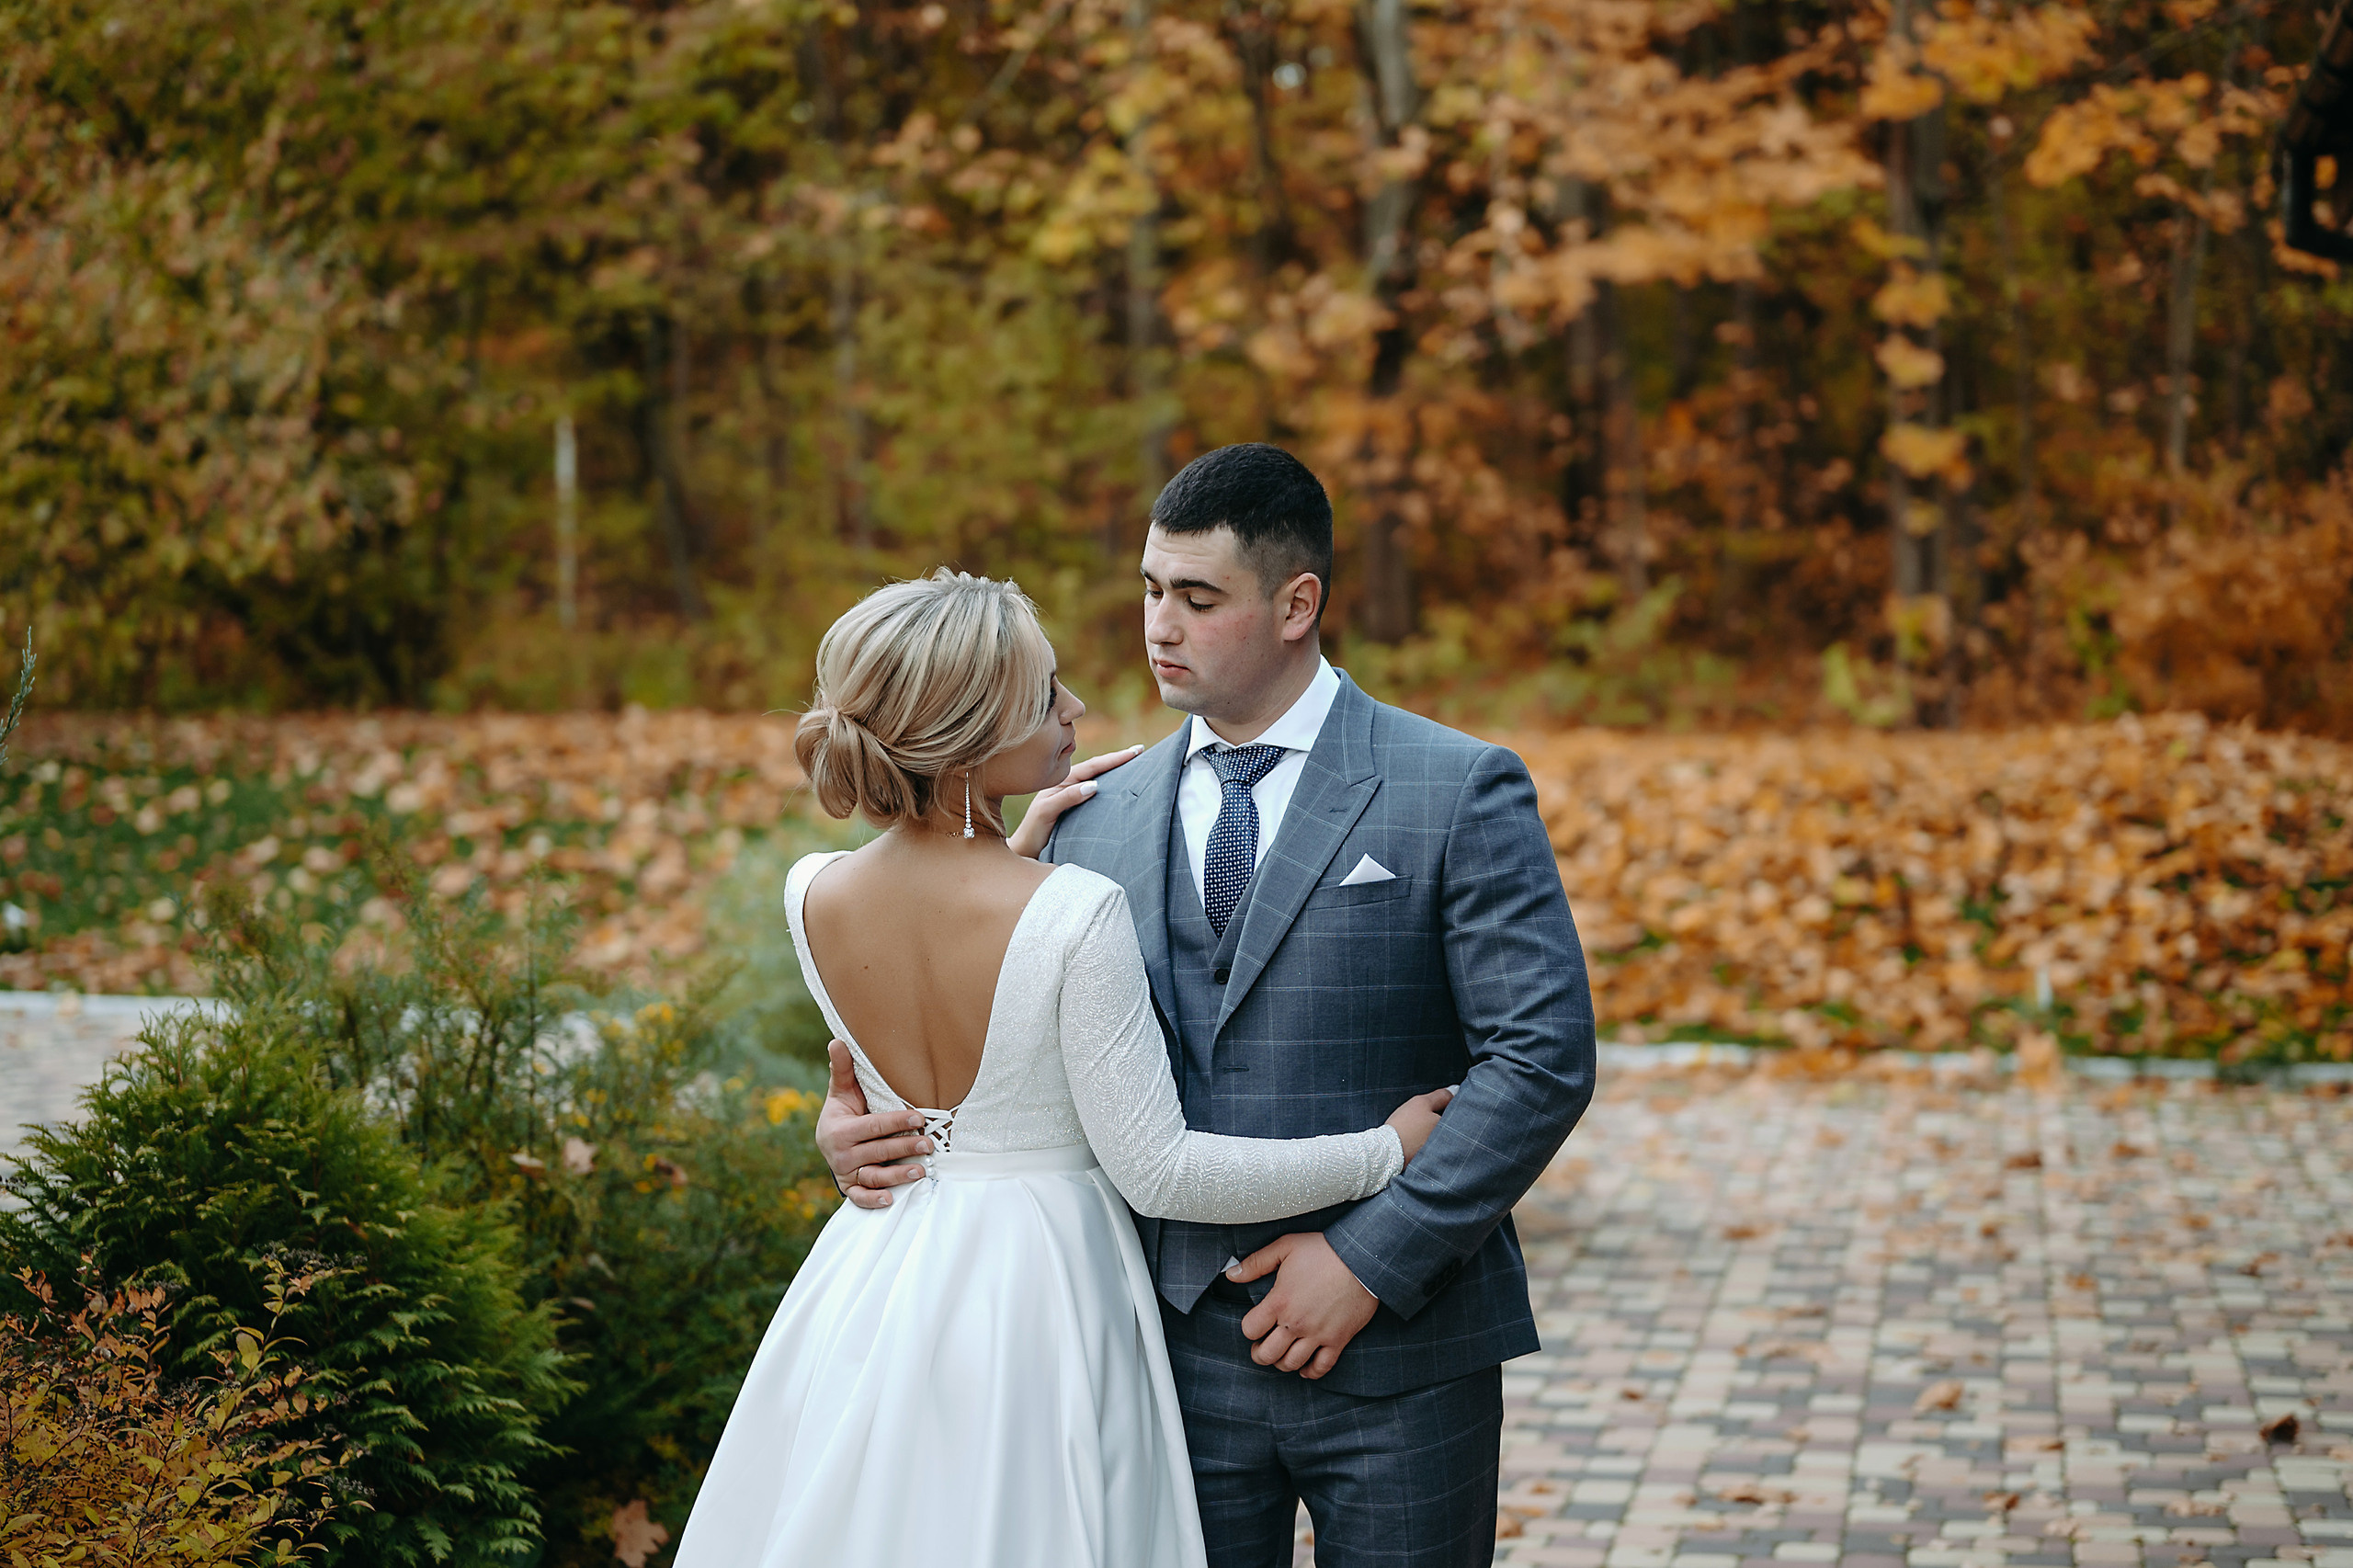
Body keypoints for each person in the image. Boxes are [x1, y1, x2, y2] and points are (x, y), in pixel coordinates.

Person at [819, 444, 1597, 1567]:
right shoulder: (1085, 816)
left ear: (1296, 604)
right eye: (1148, 590)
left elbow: (1539, 1059)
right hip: (1157, 1357)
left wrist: (1371, 1260)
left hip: (1401, 1349)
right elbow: (980, 1038)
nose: (1158, 627)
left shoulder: (1455, 785)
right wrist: (868, 1125)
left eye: (1197, 597)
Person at [673, 568, 1455, 1568]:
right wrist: (1382, 1150)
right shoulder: (1072, 912)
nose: (1076, 708)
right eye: (1046, 694)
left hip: (882, 1280)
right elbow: (1161, 1170)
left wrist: (1012, 847)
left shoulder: (811, 890)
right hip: (1038, 1294)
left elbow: (910, 1065)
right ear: (968, 728)